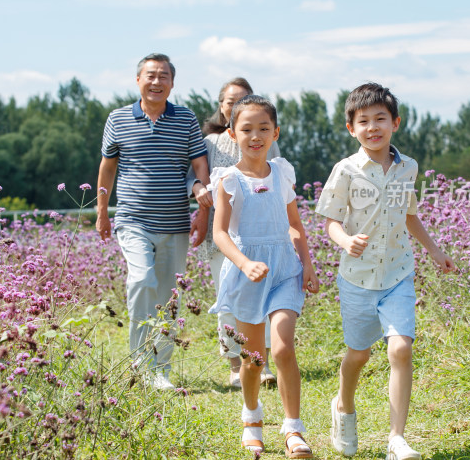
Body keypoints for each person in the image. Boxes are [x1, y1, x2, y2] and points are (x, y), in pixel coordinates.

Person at [315, 83, 456, 460]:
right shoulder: (345, 171)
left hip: (397, 273)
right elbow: (330, 222)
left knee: (401, 349)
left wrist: (434, 251)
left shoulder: (407, 167)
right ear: (351, 128)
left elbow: (409, 215)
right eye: (364, 121)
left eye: (380, 119)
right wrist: (345, 241)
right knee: (358, 355)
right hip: (357, 279)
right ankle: (343, 404)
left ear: (395, 123)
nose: (373, 127)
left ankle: (396, 439)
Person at [209, 95, 320, 458]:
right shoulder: (228, 179)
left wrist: (308, 264)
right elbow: (220, 234)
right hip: (247, 274)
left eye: (263, 129)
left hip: (284, 269)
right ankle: (252, 419)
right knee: (254, 357)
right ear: (232, 133)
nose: (255, 136)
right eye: (246, 129)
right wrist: (244, 264)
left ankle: (293, 429)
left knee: (284, 347)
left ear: (275, 133)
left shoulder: (282, 173)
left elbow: (296, 226)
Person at [96, 53, 211, 390]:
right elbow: (107, 167)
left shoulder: (186, 119)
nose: (157, 82)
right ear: (138, 81)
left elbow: (200, 168)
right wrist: (102, 210)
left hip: (175, 222)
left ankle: (160, 369)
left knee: (167, 297)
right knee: (141, 279)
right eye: (150, 75)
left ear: (172, 83)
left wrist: (202, 214)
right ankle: (140, 363)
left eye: (163, 76)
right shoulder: (117, 119)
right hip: (132, 219)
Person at [189, 77, 280, 388]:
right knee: (228, 297)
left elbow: (278, 180)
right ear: (221, 107)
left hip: (262, 232)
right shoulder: (209, 143)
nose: (237, 106)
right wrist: (198, 189)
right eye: (231, 101)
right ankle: (233, 365)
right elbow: (195, 177)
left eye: (245, 100)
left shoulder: (268, 140)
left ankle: (261, 363)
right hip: (224, 235)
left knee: (263, 298)